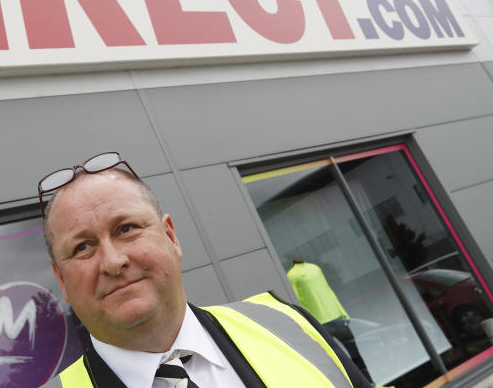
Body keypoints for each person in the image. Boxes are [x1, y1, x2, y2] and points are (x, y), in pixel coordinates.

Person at [38, 152, 373, 388]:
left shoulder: (289, 325)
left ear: (171, 236)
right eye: (82, 247)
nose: (112, 262)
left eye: (125, 228)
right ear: (61, 280)